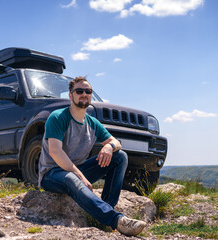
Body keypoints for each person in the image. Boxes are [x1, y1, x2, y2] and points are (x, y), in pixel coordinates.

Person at [38, 76, 146, 236]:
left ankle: (105, 210)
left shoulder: (92, 122)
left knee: (120, 157)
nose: (84, 94)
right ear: (70, 96)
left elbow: (116, 142)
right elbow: (55, 152)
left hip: (77, 171)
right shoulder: (58, 117)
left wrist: (109, 146)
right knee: (71, 178)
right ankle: (117, 221)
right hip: (52, 173)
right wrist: (80, 175)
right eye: (79, 91)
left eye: (88, 91)